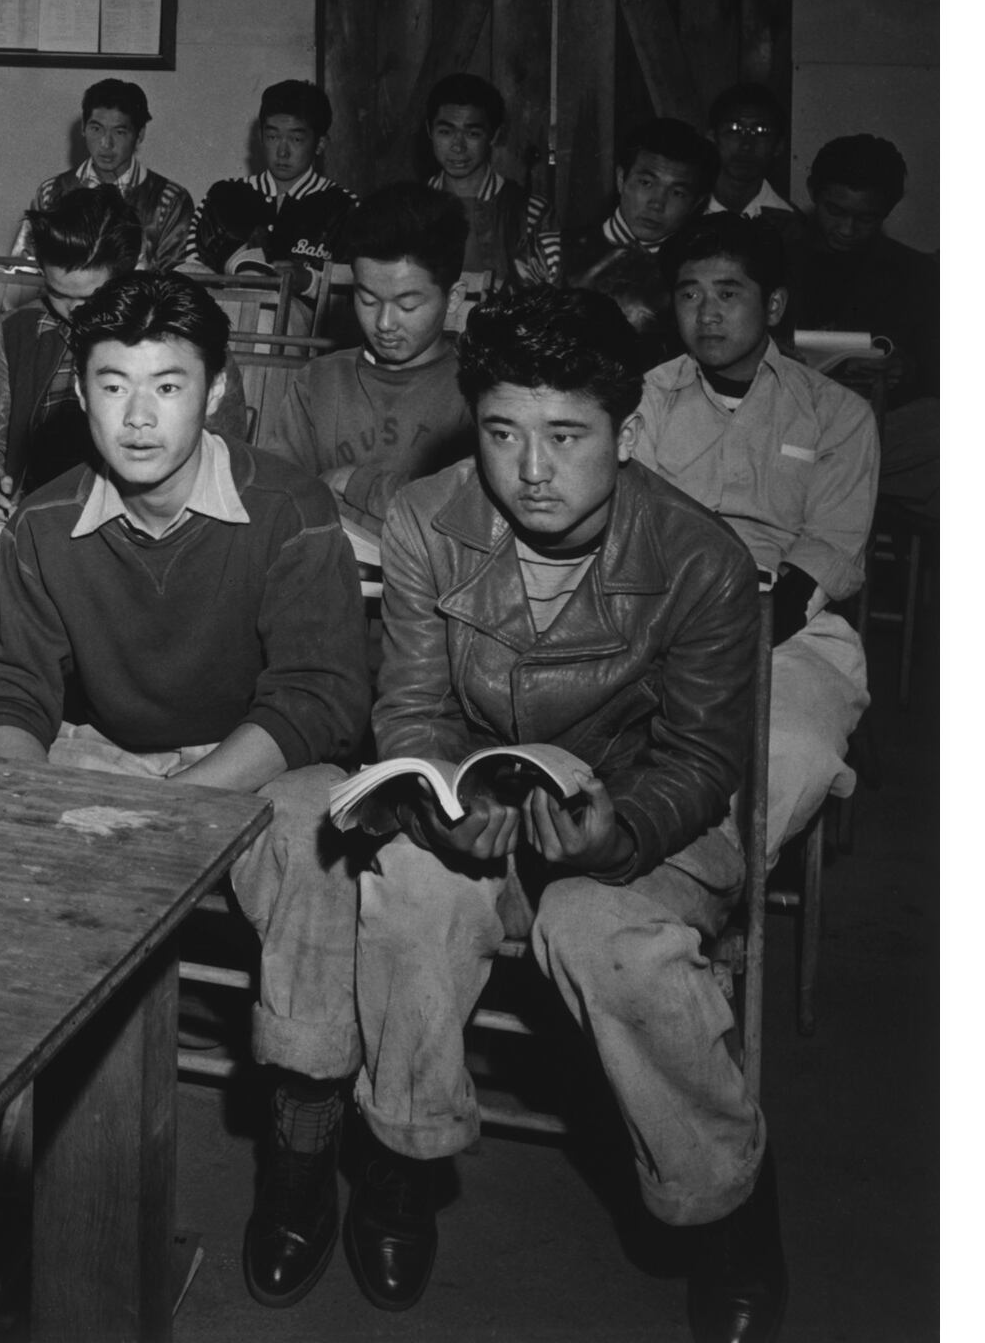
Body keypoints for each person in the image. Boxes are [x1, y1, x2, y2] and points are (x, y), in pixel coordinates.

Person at [339, 289, 781, 1339]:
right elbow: (411, 707)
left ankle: (729, 1206)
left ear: (625, 432)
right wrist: (440, 799)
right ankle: (402, 1156)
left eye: (566, 434)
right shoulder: (425, 519)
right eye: (501, 432)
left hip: (641, 821)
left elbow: (704, 756)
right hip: (483, 813)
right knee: (408, 888)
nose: (531, 469)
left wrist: (615, 831)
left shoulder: (699, 558)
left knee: (603, 935)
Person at [0, 272, 370, 1311]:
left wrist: (193, 799)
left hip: (262, 755)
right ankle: (3, 1163)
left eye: (168, 384)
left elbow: (319, 695)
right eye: (111, 385)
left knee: (323, 837)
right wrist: (26, 802)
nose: (139, 416)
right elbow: (8, 692)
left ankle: (302, 1147)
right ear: (79, 396)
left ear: (217, 389)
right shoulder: (47, 522)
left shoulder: (288, 507)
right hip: (111, 748)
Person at [638, 214, 879, 858]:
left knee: (790, 744)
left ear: (772, 304)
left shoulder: (836, 413)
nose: (707, 314)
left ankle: (715, 881)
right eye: (689, 294)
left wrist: (748, 632)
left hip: (790, 626)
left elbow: (830, 549)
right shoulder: (644, 400)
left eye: (728, 292)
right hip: (657, 614)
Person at [254, 183, 475, 532]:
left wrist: (355, 483)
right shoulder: (320, 382)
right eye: (368, 300)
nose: (384, 323)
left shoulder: (477, 392)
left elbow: (470, 510)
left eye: (408, 305)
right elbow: (276, 495)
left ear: (454, 297)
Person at [0, 184, 139, 521]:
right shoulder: (19, 331)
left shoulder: (169, 342)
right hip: (31, 517)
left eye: (89, 299)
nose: (72, 311)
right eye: (56, 293)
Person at [790, 133, 937, 509]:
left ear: (888, 211)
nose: (847, 230)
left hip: (876, 428)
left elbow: (934, 369)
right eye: (835, 211)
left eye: (866, 219)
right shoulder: (773, 260)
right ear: (812, 192)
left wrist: (906, 369)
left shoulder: (914, 274)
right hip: (784, 427)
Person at [560, 116, 720, 358]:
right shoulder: (553, 251)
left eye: (677, 192)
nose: (657, 203)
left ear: (697, 203)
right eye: (646, 183)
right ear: (621, 179)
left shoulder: (702, 270)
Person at [14, 76, 197, 273]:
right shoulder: (51, 192)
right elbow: (25, 270)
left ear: (140, 133)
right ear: (83, 127)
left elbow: (177, 281)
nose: (105, 144)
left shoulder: (169, 200)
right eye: (96, 129)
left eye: (119, 132)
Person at [195, 79, 357, 274]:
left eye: (296, 139)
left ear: (320, 143)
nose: (282, 152)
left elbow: (358, 282)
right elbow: (191, 271)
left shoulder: (345, 207)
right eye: (273, 137)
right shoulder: (223, 196)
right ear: (261, 137)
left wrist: (310, 282)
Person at [420, 71, 558, 289]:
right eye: (445, 132)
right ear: (430, 131)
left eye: (472, 134)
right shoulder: (409, 209)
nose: (457, 146)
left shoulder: (530, 213)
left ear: (494, 135)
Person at [707, 82, 796, 218]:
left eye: (761, 131)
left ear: (778, 146)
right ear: (712, 138)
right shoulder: (683, 215)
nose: (746, 145)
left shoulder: (791, 226)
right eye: (734, 129)